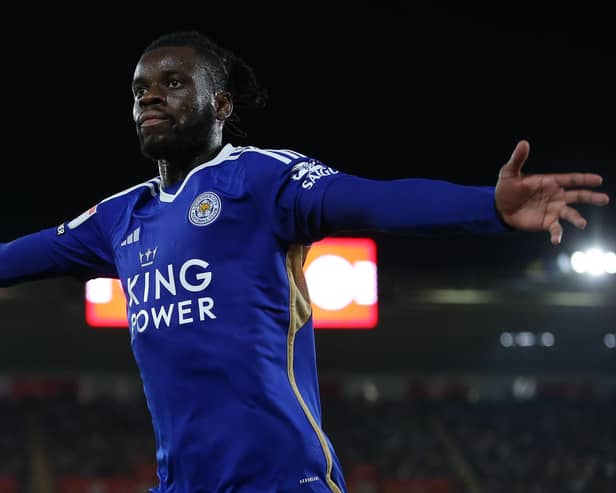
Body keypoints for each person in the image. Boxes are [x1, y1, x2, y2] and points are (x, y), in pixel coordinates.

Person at [0, 30, 609, 493]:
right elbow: (18, 256)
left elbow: (375, 200)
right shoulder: (118, 217)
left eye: (173, 82)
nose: (151, 94)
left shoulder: (261, 178)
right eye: (139, 89)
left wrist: (489, 207)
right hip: (181, 482)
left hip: (283, 477)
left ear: (222, 105)